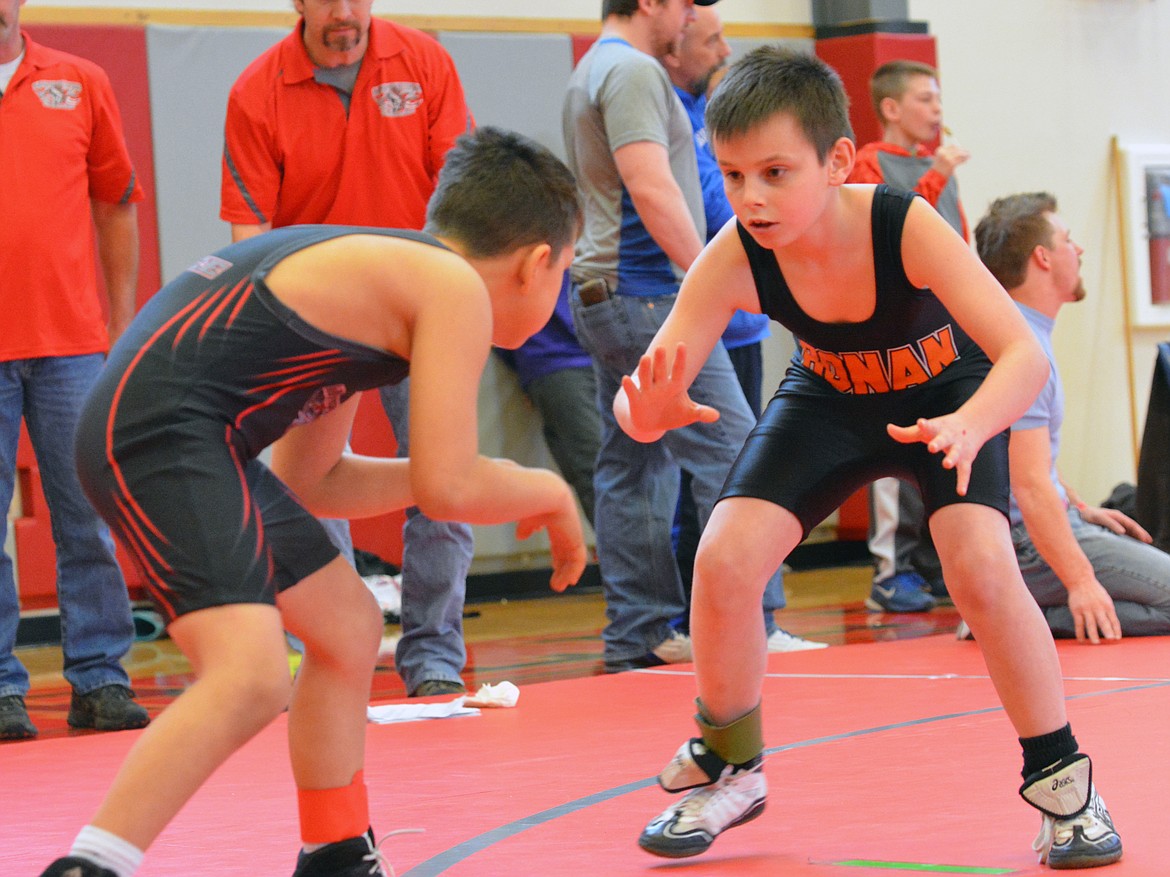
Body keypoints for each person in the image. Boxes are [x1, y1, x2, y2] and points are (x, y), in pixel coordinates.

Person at [39, 127, 587, 877]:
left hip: (181, 433)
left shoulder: (378, 285)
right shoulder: (450, 286)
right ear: (537, 263)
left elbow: (315, 482)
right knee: (251, 673)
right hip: (162, 433)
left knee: (347, 625)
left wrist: (443, 468)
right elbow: (448, 485)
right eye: (567, 273)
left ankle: (334, 849)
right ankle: (89, 865)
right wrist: (550, 490)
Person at [622, 48, 1122, 869]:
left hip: (950, 392)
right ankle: (734, 765)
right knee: (723, 559)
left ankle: (1066, 783)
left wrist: (970, 422)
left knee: (981, 568)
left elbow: (1021, 356)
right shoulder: (734, 252)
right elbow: (648, 386)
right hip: (830, 396)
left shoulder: (902, 223)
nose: (752, 196)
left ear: (839, 162)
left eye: (777, 172)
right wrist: (640, 413)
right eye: (734, 174)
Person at [220, 0, 475, 698]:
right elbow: (250, 233)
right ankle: (335, 647)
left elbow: (458, 201)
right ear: (297, 4)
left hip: (416, 304)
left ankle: (433, 654)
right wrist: (265, 337)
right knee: (306, 484)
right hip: (314, 319)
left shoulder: (424, 63)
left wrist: (451, 299)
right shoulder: (257, 91)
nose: (344, 12)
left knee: (442, 470)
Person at [563, 0, 789, 672]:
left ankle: (637, 634)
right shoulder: (632, 71)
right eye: (684, 4)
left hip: (610, 293)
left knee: (633, 462)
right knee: (738, 449)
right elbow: (650, 183)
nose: (689, 17)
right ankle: (755, 623)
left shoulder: (592, 68)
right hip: (650, 295)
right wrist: (709, 280)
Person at [0, 0, 150, 740]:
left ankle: (100, 679)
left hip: (70, 346)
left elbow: (116, 203)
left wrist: (120, 328)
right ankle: (1, 686)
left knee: (87, 517)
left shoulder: (81, 80)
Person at [661, 4, 824, 652]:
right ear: (676, 50)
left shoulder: (718, 117)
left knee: (743, 458)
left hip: (746, 327)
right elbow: (705, 201)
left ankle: (750, 617)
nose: (723, 51)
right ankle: (734, 619)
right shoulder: (678, 117)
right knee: (731, 467)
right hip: (709, 310)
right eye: (712, 40)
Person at [973, 192, 1170, 641]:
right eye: (1068, 239)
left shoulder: (1017, 332)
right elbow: (1028, 483)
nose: (1078, 250)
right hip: (1025, 547)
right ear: (1042, 257)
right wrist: (1081, 582)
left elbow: (1023, 457)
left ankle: (1012, 608)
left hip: (1031, 533)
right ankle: (1008, 616)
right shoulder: (1022, 347)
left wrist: (1075, 504)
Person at [847, 59, 972, 613]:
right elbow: (888, 229)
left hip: (945, 325)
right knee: (895, 448)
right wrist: (938, 173)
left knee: (945, 443)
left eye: (940, 98)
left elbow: (957, 243)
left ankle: (934, 563)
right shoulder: (870, 163)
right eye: (925, 99)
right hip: (893, 330)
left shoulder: (938, 167)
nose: (937, 110)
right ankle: (889, 572)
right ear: (892, 108)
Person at [494, 273, 601, 526]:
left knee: (639, 472)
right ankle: (625, 563)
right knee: (597, 472)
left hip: (611, 349)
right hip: (555, 359)